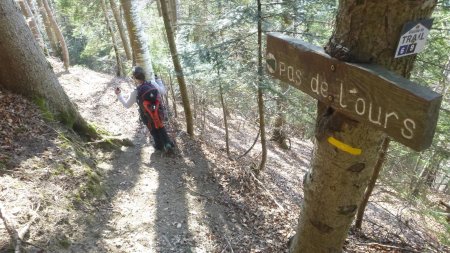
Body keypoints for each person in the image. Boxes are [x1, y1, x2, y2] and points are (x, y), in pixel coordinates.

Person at [115, 66, 174, 152]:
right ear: (144, 75)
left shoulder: (136, 91)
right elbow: (163, 91)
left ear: (134, 78)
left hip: (147, 115)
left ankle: (159, 146)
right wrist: (159, 81)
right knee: (160, 124)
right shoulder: (152, 83)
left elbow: (127, 105)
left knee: (153, 128)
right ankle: (167, 143)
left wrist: (119, 95)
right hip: (159, 111)